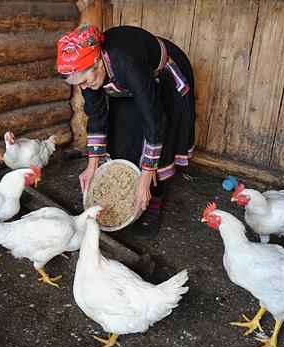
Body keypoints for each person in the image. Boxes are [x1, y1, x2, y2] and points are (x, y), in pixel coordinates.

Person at [57, 25, 196, 240]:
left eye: (84, 81)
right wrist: (92, 165)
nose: (83, 87)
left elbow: (155, 122)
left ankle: (153, 204)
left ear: (98, 62)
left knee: (161, 140)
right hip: (129, 81)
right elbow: (96, 113)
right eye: (78, 85)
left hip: (163, 74)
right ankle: (133, 193)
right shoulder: (88, 76)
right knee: (123, 138)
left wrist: (146, 179)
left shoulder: (127, 61)